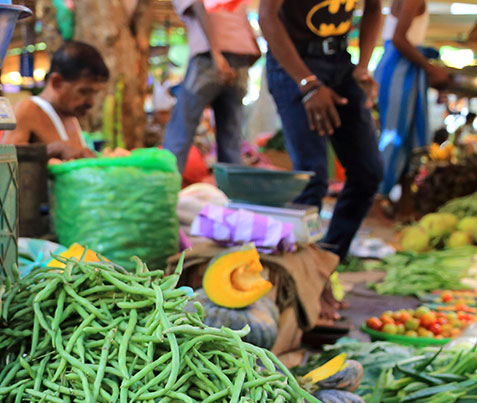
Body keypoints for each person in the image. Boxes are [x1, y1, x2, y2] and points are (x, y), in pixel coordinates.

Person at [259, 0, 383, 265]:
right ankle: (300, 277)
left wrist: (363, 65)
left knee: (368, 171)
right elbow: (267, 17)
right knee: (312, 177)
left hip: (340, 61)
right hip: (293, 61)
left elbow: (374, 8)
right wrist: (308, 83)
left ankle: (327, 265)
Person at [161, 0, 260, 173]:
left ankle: (165, 189)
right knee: (231, 139)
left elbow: (199, 5)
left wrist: (216, 53)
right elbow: (246, 27)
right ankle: (230, 195)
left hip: (209, 59)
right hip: (241, 57)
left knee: (180, 130)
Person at [376, 0, 449, 200]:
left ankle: (402, 203)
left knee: (407, 139)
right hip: (399, 68)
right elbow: (399, 39)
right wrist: (429, 67)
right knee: (395, 136)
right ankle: (376, 198)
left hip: (403, 67)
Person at [2, 41, 108, 161]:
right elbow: (5, 162)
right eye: (83, 92)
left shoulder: (69, 114)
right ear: (56, 82)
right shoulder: (29, 109)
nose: (92, 102)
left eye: (95, 93)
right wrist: (51, 150)